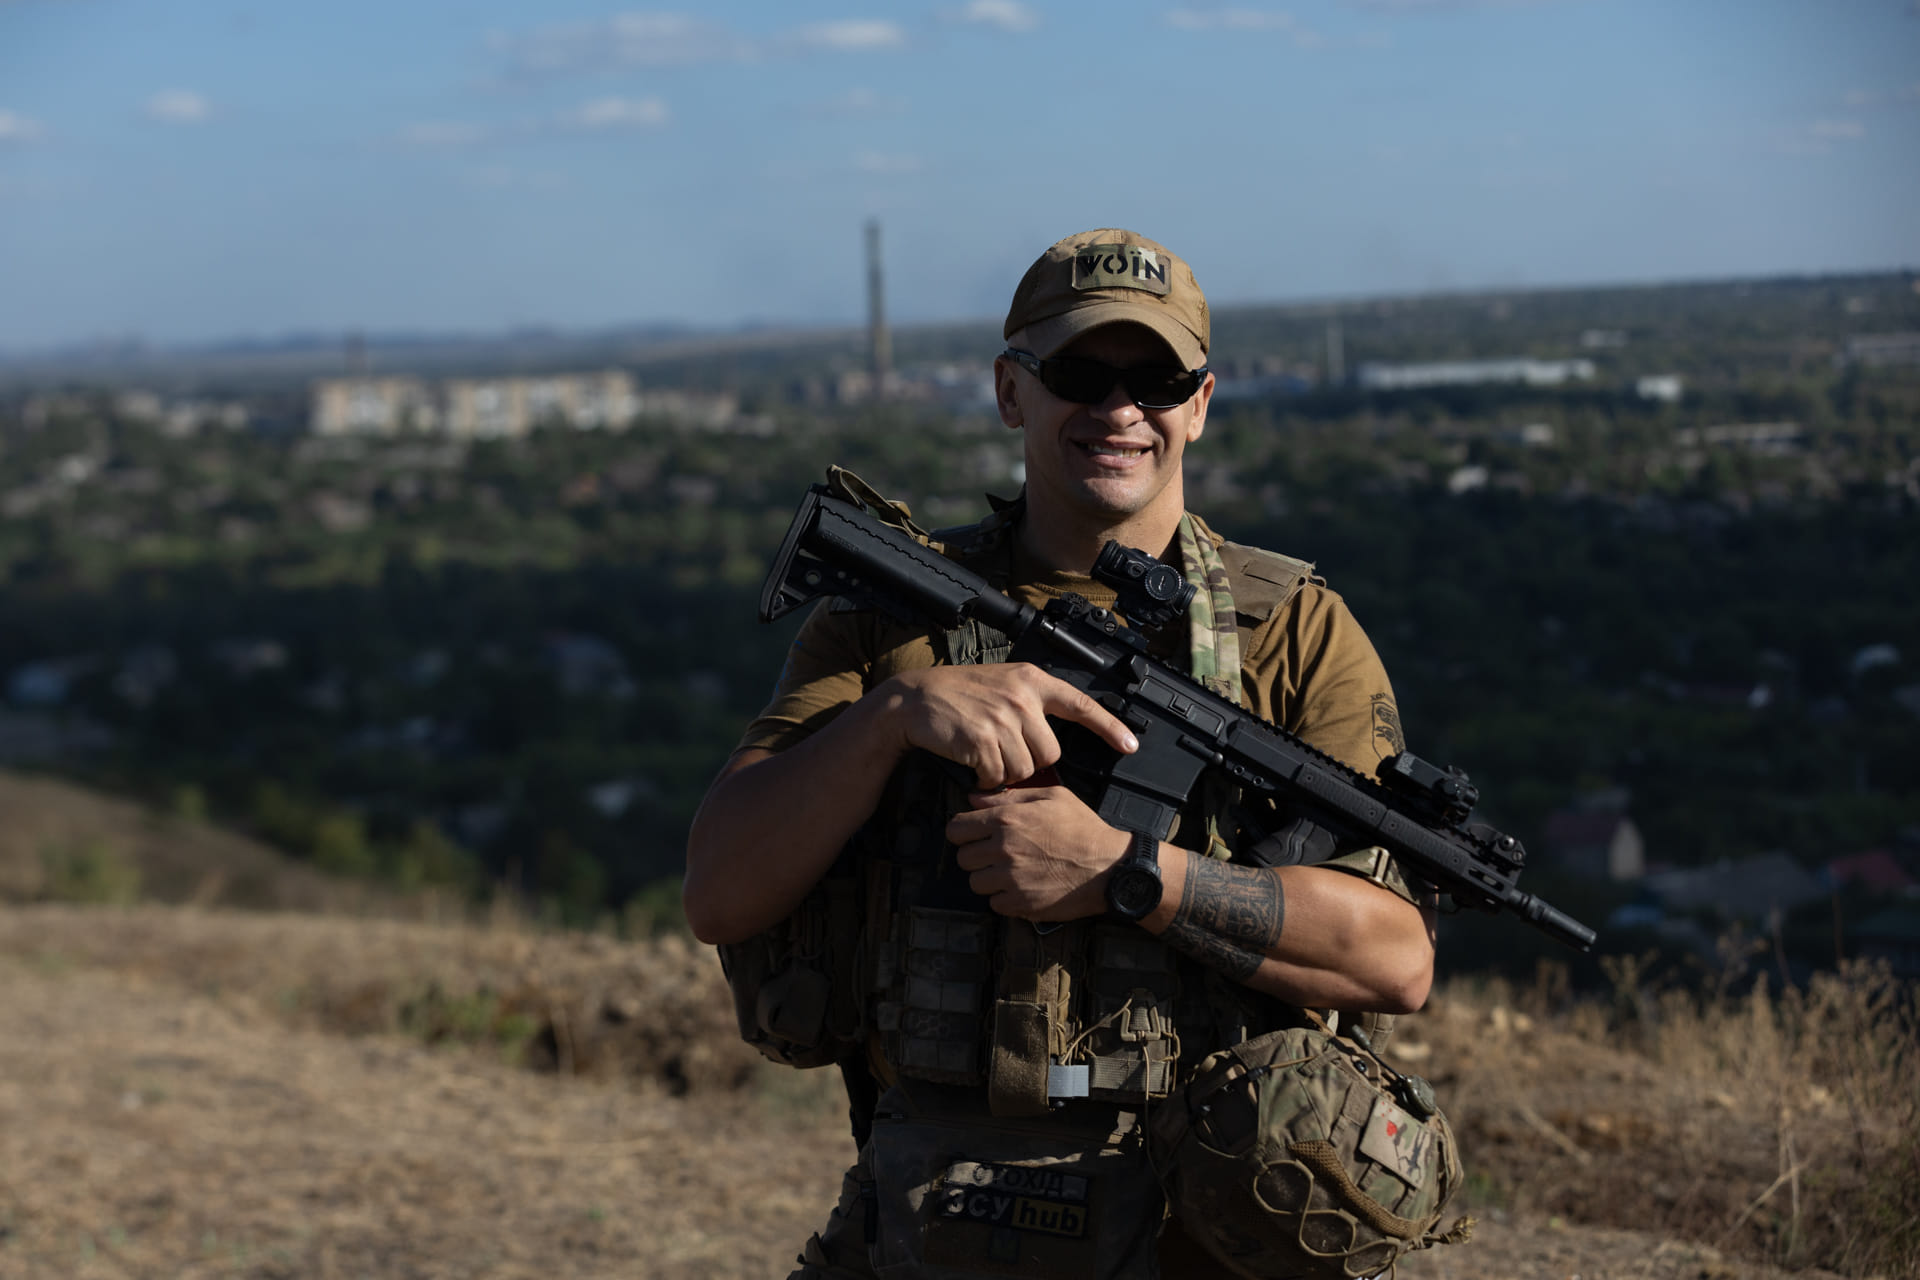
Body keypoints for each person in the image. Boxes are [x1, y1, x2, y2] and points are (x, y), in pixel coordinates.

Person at [684, 229, 1436, 1279]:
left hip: (1201, 1229)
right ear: (1011, 391)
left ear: (1200, 404)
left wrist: (1129, 872)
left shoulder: (1295, 634)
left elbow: (1394, 958)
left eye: (1156, 381)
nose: (1119, 409)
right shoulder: (889, 615)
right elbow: (720, 889)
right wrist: (891, 715)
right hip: (930, 1217)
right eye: (1080, 374)